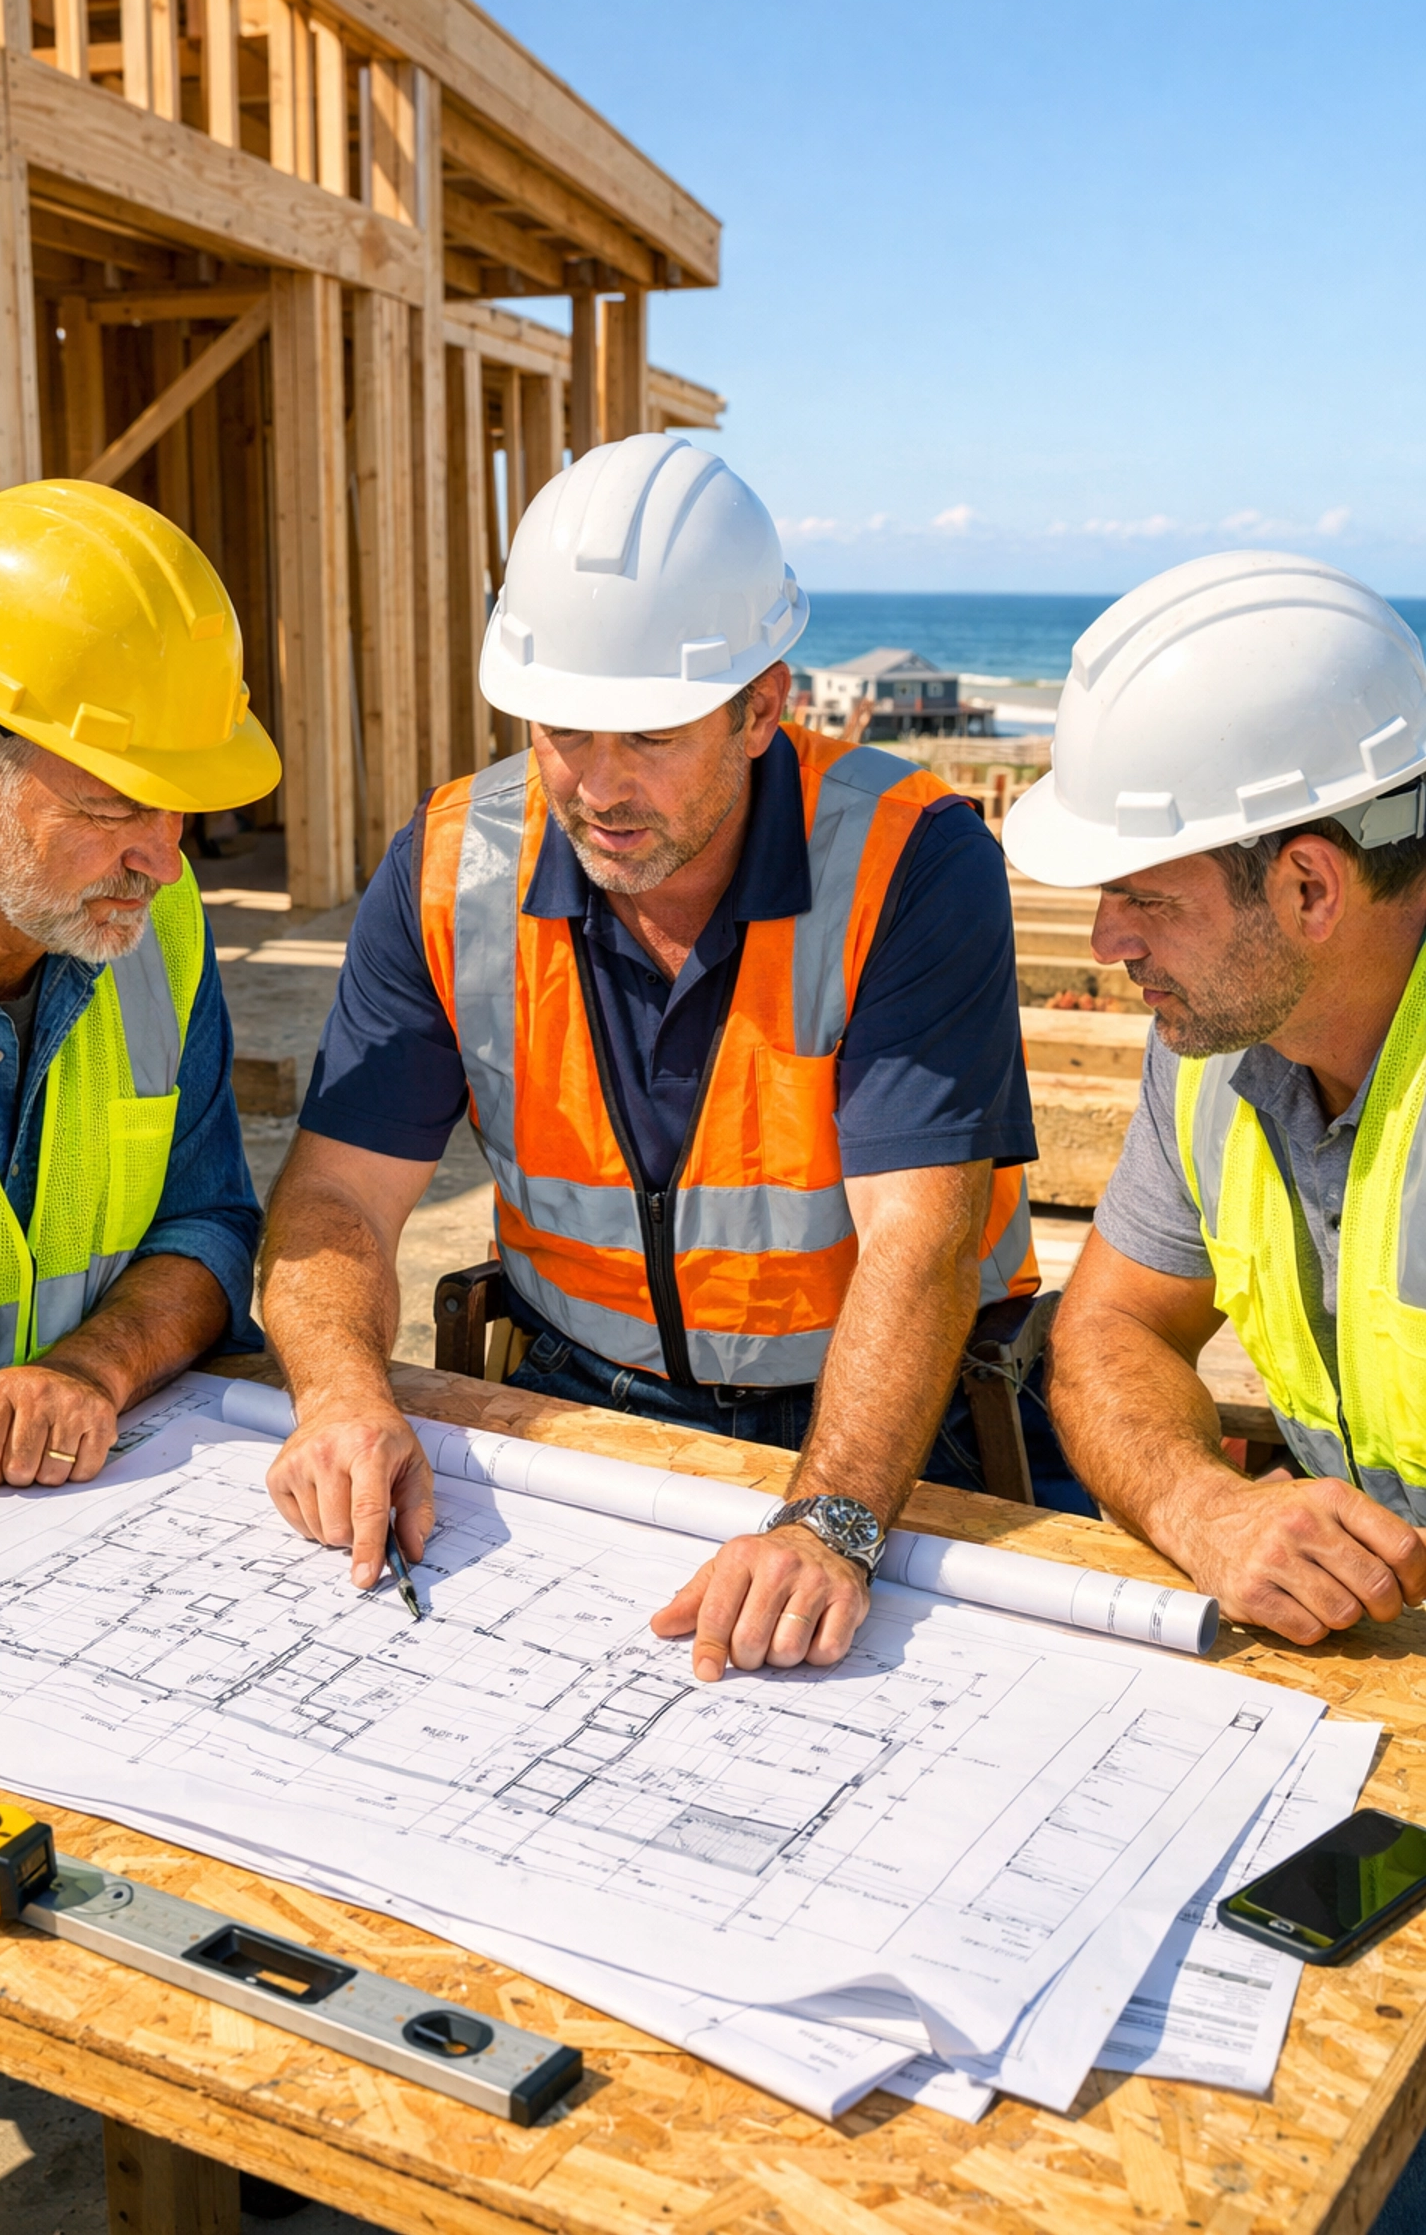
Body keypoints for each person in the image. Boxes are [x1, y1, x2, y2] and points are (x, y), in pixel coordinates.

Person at [262, 432, 1077, 1690]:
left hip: (887, 1431)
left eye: (649, 735)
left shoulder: (912, 861)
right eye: (563, 731)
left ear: (764, 707)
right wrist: (339, 1395)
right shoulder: (444, 867)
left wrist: (833, 1524)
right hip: (571, 1397)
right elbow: (334, 1202)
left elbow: (923, 1243)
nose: (596, 786)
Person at [0, 477, 280, 2235]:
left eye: (185, 813)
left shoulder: (152, 930)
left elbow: (206, 1234)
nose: (168, 857)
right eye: (120, 807)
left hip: (47, 1567)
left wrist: (103, 1364)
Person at [1004, 551, 1426, 1644]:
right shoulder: (1207, 1052)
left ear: (1308, 886)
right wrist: (1208, 1509)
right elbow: (1109, 1330)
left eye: (1146, 898)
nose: (1107, 944)